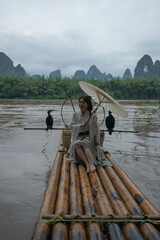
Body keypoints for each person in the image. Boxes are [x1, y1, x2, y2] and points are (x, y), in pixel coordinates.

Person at [68, 95, 112, 173]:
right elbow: (71, 126)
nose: (81, 104)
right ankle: (87, 164)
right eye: (80, 102)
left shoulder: (91, 114)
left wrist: (93, 117)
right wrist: (80, 125)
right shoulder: (75, 114)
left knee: (85, 145)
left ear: (87, 104)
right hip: (78, 136)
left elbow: (95, 129)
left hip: (88, 137)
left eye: (83, 102)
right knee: (77, 144)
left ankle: (91, 164)